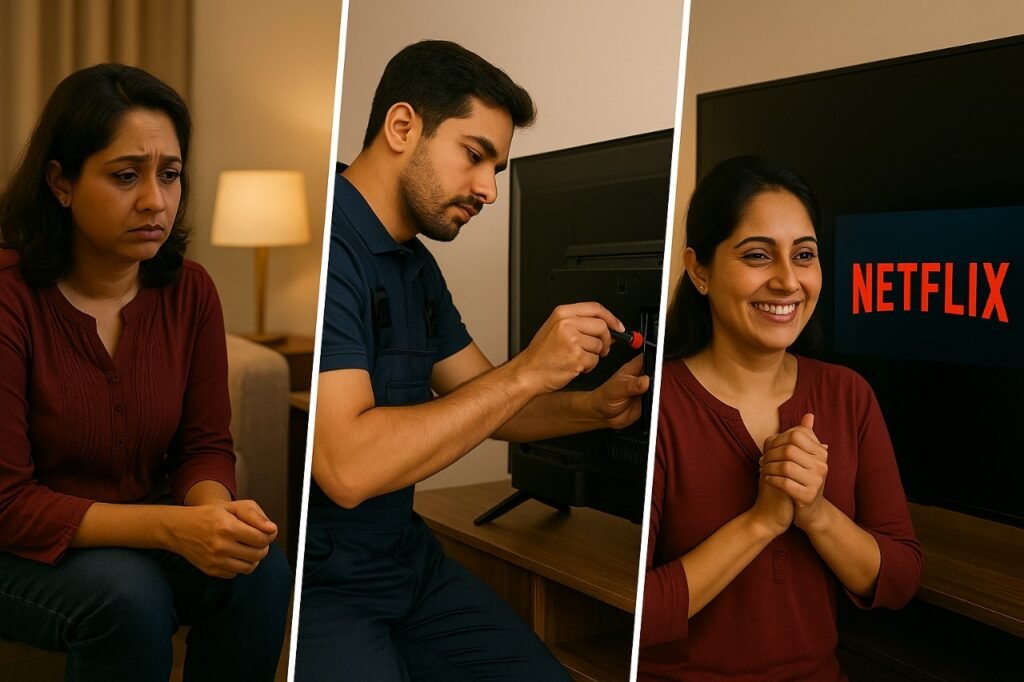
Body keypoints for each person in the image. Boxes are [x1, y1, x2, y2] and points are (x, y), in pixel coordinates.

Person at [297, 40, 649, 681]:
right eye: (475, 155)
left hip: (405, 561)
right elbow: (345, 467)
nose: (488, 190)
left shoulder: (416, 267)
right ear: (402, 126)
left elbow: (493, 404)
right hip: (318, 582)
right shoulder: (327, 245)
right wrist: (527, 370)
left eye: (499, 168)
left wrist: (594, 409)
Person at [0, 63, 291, 681]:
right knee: (129, 594)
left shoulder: (190, 292)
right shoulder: (9, 298)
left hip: (140, 527)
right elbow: (8, 503)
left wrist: (214, 515)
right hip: (18, 547)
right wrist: (173, 527)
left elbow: (204, 446)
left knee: (261, 569)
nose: (155, 200)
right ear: (61, 182)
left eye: (170, 174)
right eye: (126, 176)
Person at [638, 156, 923, 680]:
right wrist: (762, 520)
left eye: (805, 255)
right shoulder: (658, 404)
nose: (788, 281)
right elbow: (641, 614)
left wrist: (816, 514)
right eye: (757, 256)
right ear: (699, 270)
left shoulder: (848, 394)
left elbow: (900, 580)